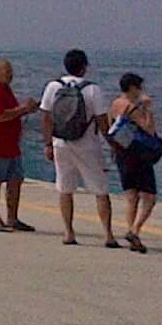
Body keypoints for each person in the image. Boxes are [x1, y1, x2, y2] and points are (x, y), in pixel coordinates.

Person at [39, 50, 116, 249]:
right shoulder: (92, 90)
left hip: (61, 143)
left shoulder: (53, 86)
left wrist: (48, 143)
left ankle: (68, 232)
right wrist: (112, 144)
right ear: (84, 67)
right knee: (100, 190)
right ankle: (108, 234)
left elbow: (46, 117)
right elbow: (102, 121)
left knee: (65, 189)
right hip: (87, 144)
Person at [0, 58, 36, 233]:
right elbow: (0, 116)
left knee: (15, 180)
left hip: (11, 144)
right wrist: (23, 109)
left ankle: (12, 217)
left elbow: (12, 112)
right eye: (7, 72)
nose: (10, 75)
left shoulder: (6, 90)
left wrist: (26, 109)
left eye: (11, 72)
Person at [106, 72, 160, 253]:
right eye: (139, 88)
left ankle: (132, 234)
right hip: (139, 154)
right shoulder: (133, 107)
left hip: (122, 153)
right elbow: (150, 129)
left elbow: (110, 126)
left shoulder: (115, 104)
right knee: (149, 197)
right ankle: (135, 230)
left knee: (131, 196)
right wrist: (147, 109)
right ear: (133, 88)